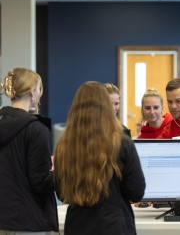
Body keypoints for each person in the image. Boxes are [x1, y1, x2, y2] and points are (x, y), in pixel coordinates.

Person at [54, 81, 145, 235]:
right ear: (105, 105)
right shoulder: (122, 143)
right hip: (114, 225)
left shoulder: (63, 145)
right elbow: (136, 192)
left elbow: (62, 194)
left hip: (76, 226)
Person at [0, 68, 59, 234]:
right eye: (39, 89)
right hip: (27, 221)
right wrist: (57, 172)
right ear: (32, 93)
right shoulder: (36, 130)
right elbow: (41, 182)